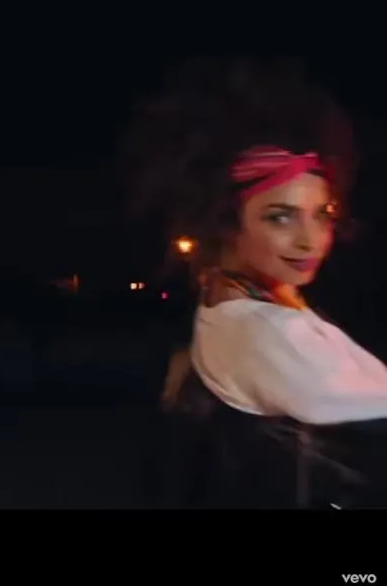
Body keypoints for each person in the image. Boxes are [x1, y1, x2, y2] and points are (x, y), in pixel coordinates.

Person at [126, 58, 387, 506]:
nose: (311, 240)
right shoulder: (270, 331)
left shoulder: (229, 297)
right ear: (227, 224)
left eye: (322, 214)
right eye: (280, 217)